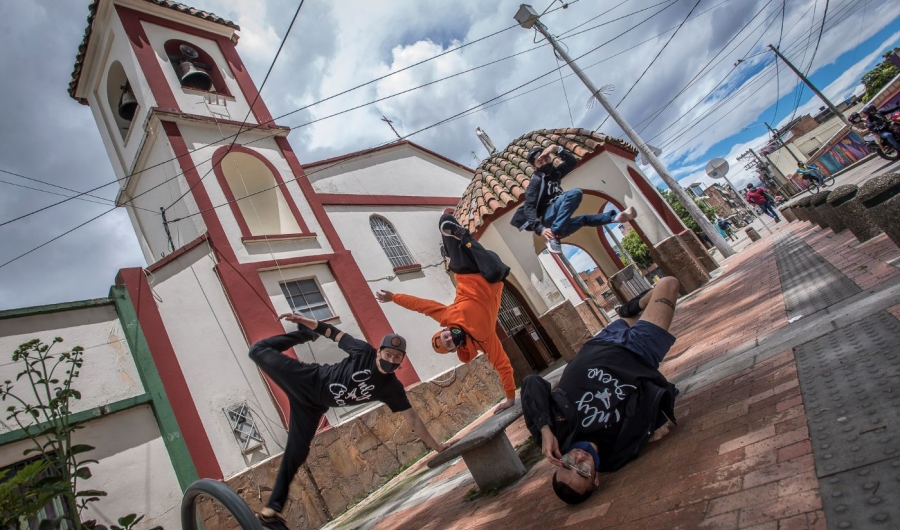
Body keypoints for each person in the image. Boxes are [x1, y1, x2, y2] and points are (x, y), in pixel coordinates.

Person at [249, 314, 450, 529]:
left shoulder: (392, 388)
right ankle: (302, 335)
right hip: (307, 379)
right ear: (379, 351)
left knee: (296, 452)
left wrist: (437, 446)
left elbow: (413, 419)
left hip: (311, 407)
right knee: (257, 351)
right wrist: (308, 325)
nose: (390, 360)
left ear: (402, 360)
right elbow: (332, 333)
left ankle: (271, 513)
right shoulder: (362, 351)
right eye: (388, 354)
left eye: (396, 358)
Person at [521, 278, 681, 505]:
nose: (578, 461)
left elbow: (531, 383)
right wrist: (652, 428)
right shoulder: (618, 455)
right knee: (669, 284)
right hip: (640, 352)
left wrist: (545, 430)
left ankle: (633, 309)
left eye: (568, 465)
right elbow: (646, 411)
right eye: (583, 472)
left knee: (632, 314)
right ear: (595, 480)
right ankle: (636, 307)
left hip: (600, 345)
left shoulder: (553, 435)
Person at [376, 214, 517, 413]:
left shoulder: (446, 316)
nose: (450, 337)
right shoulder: (484, 340)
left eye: (445, 336)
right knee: (496, 272)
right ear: (455, 349)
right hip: (490, 270)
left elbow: (421, 305)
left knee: (445, 220)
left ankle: (451, 246)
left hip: (466, 270)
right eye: (450, 343)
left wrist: (394, 297)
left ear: (444, 329)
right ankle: (463, 239)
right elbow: (503, 366)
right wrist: (510, 399)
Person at [510, 144, 637, 254]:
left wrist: (556, 148)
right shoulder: (536, 181)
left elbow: (571, 162)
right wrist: (541, 229)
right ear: (534, 167)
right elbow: (529, 207)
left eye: (546, 159)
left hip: (559, 228)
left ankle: (615, 218)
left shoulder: (555, 174)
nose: (545, 163)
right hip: (548, 220)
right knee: (575, 193)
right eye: (540, 162)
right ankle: (553, 236)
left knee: (583, 219)